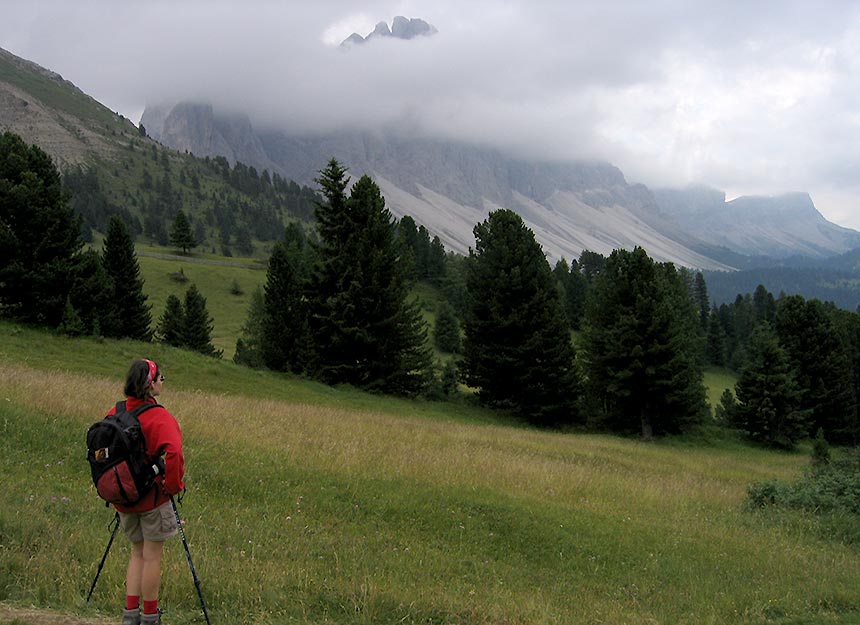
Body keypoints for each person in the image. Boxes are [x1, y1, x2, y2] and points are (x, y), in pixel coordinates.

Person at [109, 359, 185, 625]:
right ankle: (150, 616)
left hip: (124, 500)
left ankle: (130, 615)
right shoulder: (160, 417)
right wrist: (173, 487)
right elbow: (174, 452)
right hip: (152, 498)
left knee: (136, 553)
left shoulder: (115, 412)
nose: (162, 383)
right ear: (150, 384)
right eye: (160, 378)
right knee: (152, 556)